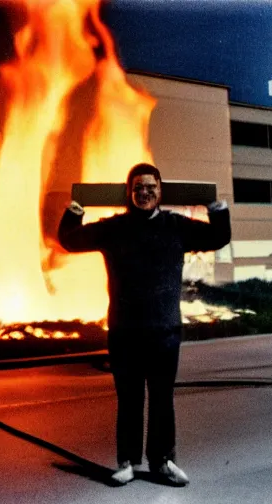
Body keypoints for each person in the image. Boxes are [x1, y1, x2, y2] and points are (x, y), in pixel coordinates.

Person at [57, 163, 231, 486]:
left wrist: (216, 208)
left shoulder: (176, 227)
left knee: (162, 398)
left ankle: (162, 462)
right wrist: (75, 210)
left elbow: (218, 237)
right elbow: (70, 240)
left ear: (160, 191)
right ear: (129, 192)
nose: (145, 193)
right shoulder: (114, 229)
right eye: (138, 188)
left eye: (151, 187)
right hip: (125, 333)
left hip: (164, 332)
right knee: (130, 399)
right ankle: (127, 462)